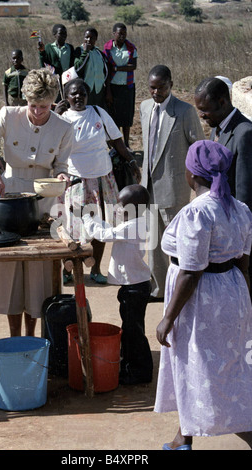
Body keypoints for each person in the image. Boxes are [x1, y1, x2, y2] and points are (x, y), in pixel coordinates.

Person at [155, 140, 252, 450]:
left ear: (190, 174)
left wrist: (167, 317)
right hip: (231, 293)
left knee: (209, 372)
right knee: (213, 366)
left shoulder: (197, 212)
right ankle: (183, 437)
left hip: (200, 301)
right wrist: (245, 306)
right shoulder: (240, 209)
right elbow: (244, 263)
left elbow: (190, 271)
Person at [0, 68, 74, 337]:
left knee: (38, 278)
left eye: (44, 107)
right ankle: (15, 339)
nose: (37, 112)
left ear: (53, 102)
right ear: (25, 99)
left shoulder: (64, 127)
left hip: (43, 205)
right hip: (9, 203)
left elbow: (62, 166)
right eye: (33, 106)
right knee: (11, 274)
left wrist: (61, 175)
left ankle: (32, 337)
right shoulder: (8, 115)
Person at [55, 77, 140, 284]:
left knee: (102, 225)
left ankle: (96, 269)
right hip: (76, 180)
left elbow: (117, 141)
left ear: (88, 95)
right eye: (73, 93)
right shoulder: (62, 118)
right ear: (66, 97)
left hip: (103, 178)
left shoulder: (99, 113)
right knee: (74, 226)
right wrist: (55, 115)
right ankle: (68, 269)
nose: (78, 97)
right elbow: (51, 145)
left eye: (82, 93)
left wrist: (131, 162)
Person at [140, 64, 205, 302]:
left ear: (171, 85)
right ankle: (158, 290)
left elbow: (198, 148)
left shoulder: (185, 111)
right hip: (150, 188)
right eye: (152, 88)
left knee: (177, 244)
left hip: (175, 187)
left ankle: (181, 290)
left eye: (161, 88)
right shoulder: (145, 107)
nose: (156, 93)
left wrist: (198, 185)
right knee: (154, 244)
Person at [82, 184, 153, 384]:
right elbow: (109, 230)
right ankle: (130, 368)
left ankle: (139, 372)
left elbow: (105, 235)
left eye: (121, 206)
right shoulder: (134, 223)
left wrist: (87, 217)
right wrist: (93, 218)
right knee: (131, 330)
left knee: (133, 332)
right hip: (133, 286)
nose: (118, 210)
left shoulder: (135, 225)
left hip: (135, 288)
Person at [194, 77, 252, 295]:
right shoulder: (217, 127)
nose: (201, 115)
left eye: (205, 110)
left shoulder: (244, 133)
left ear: (222, 102)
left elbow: (245, 196)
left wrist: (238, 240)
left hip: (237, 234)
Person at [103, 23, 137, 148]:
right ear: (114, 34)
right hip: (113, 86)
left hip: (127, 86)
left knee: (127, 117)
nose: (122, 36)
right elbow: (107, 69)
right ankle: (118, 144)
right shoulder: (107, 49)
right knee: (115, 117)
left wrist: (117, 68)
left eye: (124, 33)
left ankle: (127, 144)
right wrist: (108, 91)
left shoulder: (131, 48)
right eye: (119, 33)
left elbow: (133, 66)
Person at [38, 24, 74, 102]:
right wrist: (41, 52)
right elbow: (44, 64)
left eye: (65, 33)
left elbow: (72, 64)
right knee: (56, 101)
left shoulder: (70, 48)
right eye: (61, 33)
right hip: (54, 81)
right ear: (54, 35)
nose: (64, 35)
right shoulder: (48, 47)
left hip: (67, 80)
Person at [74, 28, 108, 108]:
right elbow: (77, 69)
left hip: (98, 91)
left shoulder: (99, 53)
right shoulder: (79, 51)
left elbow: (105, 71)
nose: (88, 40)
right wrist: (86, 52)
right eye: (86, 37)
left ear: (95, 39)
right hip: (84, 90)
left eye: (91, 38)